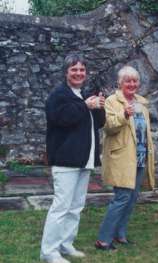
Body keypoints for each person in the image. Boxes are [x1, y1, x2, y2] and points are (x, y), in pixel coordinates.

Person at [40, 53, 105, 263]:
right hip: (65, 160)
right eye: (74, 69)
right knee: (61, 207)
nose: (79, 73)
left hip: (84, 160)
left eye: (82, 70)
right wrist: (85, 105)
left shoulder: (83, 94)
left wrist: (99, 106)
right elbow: (61, 119)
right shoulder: (58, 95)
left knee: (76, 206)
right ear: (66, 72)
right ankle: (49, 252)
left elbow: (98, 124)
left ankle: (66, 244)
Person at [95, 65, 155, 250]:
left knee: (131, 198)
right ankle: (103, 239)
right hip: (122, 158)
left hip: (140, 157)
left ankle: (120, 234)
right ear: (120, 83)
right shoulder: (112, 101)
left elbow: (144, 131)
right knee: (121, 197)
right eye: (127, 80)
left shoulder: (141, 102)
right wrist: (124, 114)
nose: (132, 84)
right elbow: (108, 126)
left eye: (135, 80)